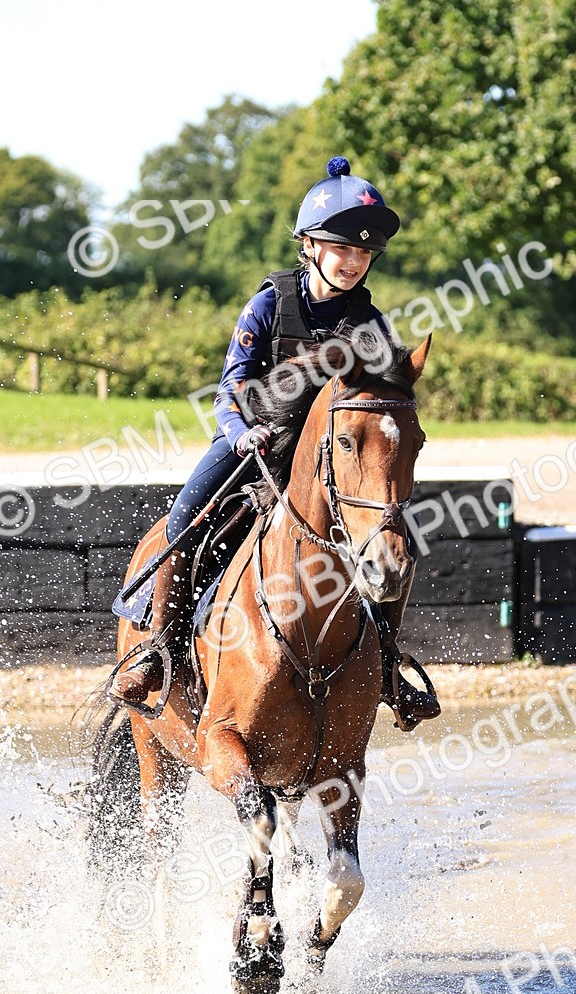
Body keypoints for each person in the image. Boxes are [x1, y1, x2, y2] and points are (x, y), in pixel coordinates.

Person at [111, 156, 440, 729]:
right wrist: (241, 435)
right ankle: (157, 650)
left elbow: (383, 401)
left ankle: (387, 665)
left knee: (396, 542)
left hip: (332, 459)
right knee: (185, 517)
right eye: (342, 248)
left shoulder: (372, 324)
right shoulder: (268, 304)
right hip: (255, 440)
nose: (354, 261)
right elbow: (229, 389)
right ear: (310, 245)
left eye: (364, 253)